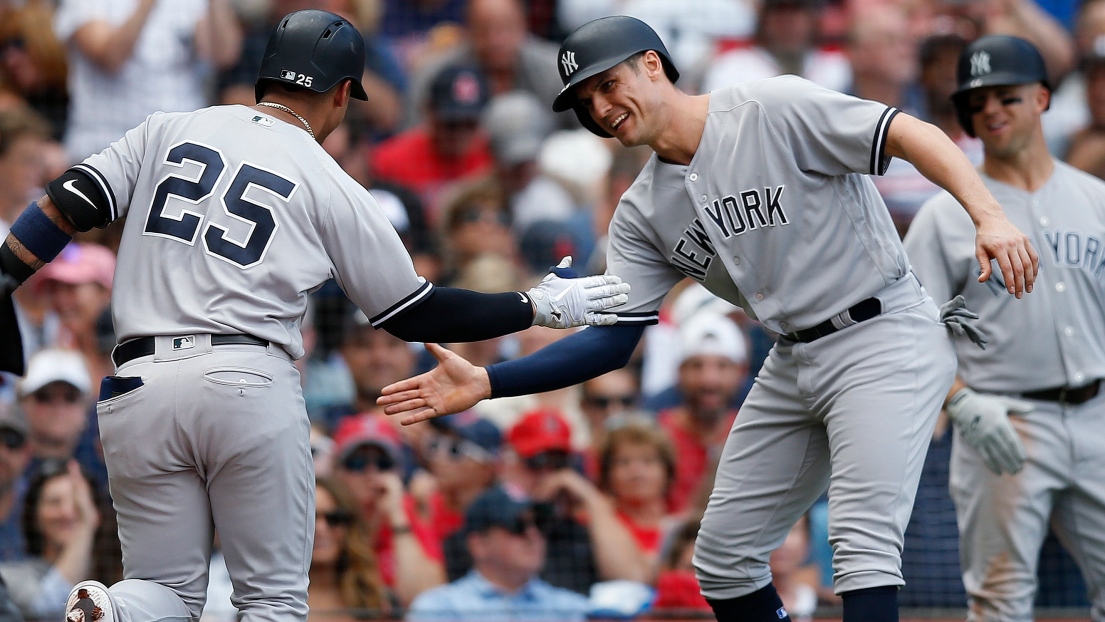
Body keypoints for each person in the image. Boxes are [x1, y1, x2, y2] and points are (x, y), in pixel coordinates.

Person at [376, 15, 1041, 622]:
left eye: (608, 84)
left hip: (881, 330)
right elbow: (611, 347)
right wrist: (492, 383)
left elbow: (906, 132)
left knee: (861, 543)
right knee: (722, 561)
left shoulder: (768, 106)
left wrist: (986, 214)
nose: (602, 108)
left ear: (653, 65)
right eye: (586, 101)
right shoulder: (639, 212)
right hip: (791, 357)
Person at [0, 9, 631, 622]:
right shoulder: (329, 180)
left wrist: (5, 278)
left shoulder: (170, 126)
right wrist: (535, 306)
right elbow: (416, 312)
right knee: (271, 603)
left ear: (267, 75)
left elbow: (68, 200)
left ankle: (114, 607)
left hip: (137, 383)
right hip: (245, 380)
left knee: (162, 591)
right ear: (343, 92)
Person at [903, 35, 1105, 621]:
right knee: (1000, 603)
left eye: (1006, 96)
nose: (990, 110)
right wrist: (960, 402)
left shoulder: (1096, 200)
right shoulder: (945, 215)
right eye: (977, 100)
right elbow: (906, 334)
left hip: (1098, 416)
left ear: (1042, 98)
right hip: (1004, 423)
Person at [406, 484, 591, 622]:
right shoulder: (440, 608)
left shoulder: (572, 608)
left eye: (540, 524)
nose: (533, 535)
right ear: (478, 545)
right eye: (517, 526)